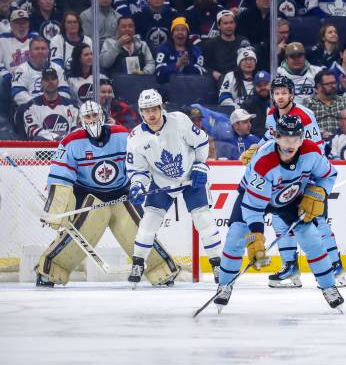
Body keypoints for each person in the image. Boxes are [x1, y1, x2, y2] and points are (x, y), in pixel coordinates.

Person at [35, 101, 179, 287]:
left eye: (95, 115)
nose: (92, 120)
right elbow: (61, 176)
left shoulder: (122, 135)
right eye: (87, 117)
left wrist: (138, 183)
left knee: (139, 233)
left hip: (121, 193)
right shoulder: (71, 142)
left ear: (102, 116)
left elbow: (139, 161)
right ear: (81, 120)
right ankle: (50, 271)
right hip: (88, 195)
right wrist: (56, 208)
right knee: (79, 236)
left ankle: (161, 270)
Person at [213, 114, 344, 311]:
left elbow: (329, 175)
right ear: (275, 136)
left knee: (311, 238)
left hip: (290, 197)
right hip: (256, 198)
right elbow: (253, 208)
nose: (290, 143)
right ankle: (224, 285)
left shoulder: (312, 152)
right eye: (284, 137)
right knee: (236, 235)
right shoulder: (263, 162)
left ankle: (329, 286)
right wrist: (256, 236)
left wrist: (319, 191)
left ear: (301, 138)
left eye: (295, 138)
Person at [241, 75, 346, 288]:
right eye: (276, 93)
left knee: (318, 221)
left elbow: (317, 149)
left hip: (309, 175)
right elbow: (273, 139)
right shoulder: (272, 114)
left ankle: (335, 268)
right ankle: (290, 268)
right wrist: (257, 149)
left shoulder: (305, 116)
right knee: (280, 220)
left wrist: (315, 186)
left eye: (284, 93)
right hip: (286, 175)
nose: (280, 97)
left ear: (291, 94)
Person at [126, 88, 223, 287]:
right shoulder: (135, 137)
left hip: (189, 179)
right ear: (140, 112)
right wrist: (137, 185)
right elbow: (138, 170)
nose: (151, 114)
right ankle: (137, 263)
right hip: (162, 184)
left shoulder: (179, 120)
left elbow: (202, 141)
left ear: (162, 108)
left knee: (204, 221)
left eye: (154, 108)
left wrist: (200, 165)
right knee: (147, 225)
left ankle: (218, 264)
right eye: (146, 110)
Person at [21, 67, 78, 140]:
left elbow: (77, 128)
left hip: (68, 147)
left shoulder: (71, 106)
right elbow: (32, 130)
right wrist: (55, 137)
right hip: (43, 149)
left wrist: (65, 139)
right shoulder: (31, 106)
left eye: (53, 79)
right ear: (41, 83)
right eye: (46, 80)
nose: (50, 82)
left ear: (58, 81)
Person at [11, 37, 71, 106]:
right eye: (36, 49)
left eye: (43, 48)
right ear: (30, 52)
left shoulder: (57, 68)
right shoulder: (22, 69)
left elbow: (65, 91)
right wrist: (36, 105)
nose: (40, 51)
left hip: (56, 107)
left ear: (48, 51)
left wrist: (53, 103)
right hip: (31, 109)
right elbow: (17, 93)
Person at [303, 69, 346, 140]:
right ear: (319, 86)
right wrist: (320, 133)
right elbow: (304, 126)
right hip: (318, 141)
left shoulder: (344, 101)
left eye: (334, 83)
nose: (333, 86)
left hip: (342, 140)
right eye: (328, 84)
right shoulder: (308, 103)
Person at [201, 9, 250, 83]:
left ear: (235, 24)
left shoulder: (243, 42)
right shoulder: (210, 44)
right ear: (218, 26)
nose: (229, 26)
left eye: (231, 23)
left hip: (241, 80)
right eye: (225, 23)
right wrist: (213, 72)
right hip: (219, 80)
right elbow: (204, 65)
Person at [154, 17, 206, 84]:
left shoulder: (196, 51)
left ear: (187, 34)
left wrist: (188, 66)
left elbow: (202, 73)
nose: (180, 32)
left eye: (183, 30)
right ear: (172, 34)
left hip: (191, 88)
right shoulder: (163, 50)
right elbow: (158, 73)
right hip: (168, 89)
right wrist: (177, 65)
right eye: (177, 30)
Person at [0, 10, 37, 79]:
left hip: (33, 78)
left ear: (28, 24)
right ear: (11, 25)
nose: (21, 26)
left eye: (24, 23)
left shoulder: (35, 38)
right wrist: (7, 76)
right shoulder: (2, 39)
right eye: (18, 23)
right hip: (9, 79)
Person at [241, 69, 270, 138]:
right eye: (259, 85)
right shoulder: (247, 105)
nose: (263, 87)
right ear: (254, 86)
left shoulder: (279, 103)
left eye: (265, 84)